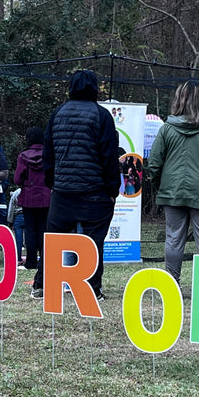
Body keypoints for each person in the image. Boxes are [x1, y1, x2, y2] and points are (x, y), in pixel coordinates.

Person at [31, 70, 121, 300]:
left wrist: (54, 183)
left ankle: (41, 285)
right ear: (94, 88)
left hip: (62, 192)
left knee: (52, 241)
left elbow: (48, 154)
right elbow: (109, 156)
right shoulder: (102, 116)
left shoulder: (57, 113)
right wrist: (113, 190)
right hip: (95, 193)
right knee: (93, 242)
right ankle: (92, 289)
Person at [146, 80, 199, 284]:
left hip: (173, 192)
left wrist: (163, 186)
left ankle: (172, 285)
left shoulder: (167, 129)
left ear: (180, 100)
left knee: (174, 239)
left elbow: (154, 163)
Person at [14, 126, 51, 273]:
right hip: (46, 198)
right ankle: (44, 260)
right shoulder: (48, 155)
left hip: (29, 197)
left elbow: (17, 179)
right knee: (44, 229)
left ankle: (30, 261)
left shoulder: (23, 156)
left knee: (30, 230)